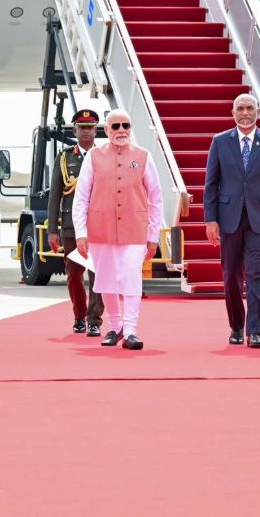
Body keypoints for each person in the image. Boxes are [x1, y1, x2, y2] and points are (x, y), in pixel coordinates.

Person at [72, 109, 162, 350]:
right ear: (106, 130)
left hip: (135, 229)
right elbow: (81, 197)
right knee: (106, 279)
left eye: (126, 125)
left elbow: (156, 197)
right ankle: (115, 326)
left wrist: (153, 235)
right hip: (101, 229)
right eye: (115, 126)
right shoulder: (94, 156)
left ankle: (131, 331)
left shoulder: (143, 156)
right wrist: (81, 233)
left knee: (132, 277)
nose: (121, 130)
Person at [204, 93, 260, 348]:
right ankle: (237, 327)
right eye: (240, 108)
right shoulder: (220, 142)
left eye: (250, 108)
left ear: (258, 112)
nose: (245, 113)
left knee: (256, 273)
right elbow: (211, 185)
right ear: (233, 113)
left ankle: (255, 331)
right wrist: (210, 220)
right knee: (230, 275)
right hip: (228, 219)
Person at [48, 109, 105, 336]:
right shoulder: (64, 159)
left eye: (90, 127)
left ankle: (94, 320)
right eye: (82, 128)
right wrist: (53, 230)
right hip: (71, 226)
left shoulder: (103, 156)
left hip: (98, 227)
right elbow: (55, 196)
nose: (86, 132)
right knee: (74, 274)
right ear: (75, 131)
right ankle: (79, 316)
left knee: (97, 274)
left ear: (96, 131)